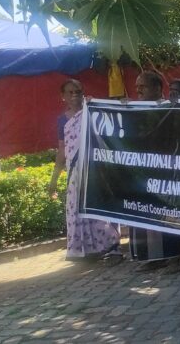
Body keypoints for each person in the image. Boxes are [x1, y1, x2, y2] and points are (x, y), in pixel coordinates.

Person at [48, 80, 122, 264]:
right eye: (70, 92)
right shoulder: (63, 120)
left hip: (97, 169)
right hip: (76, 172)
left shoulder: (93, 110)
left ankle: (112, 248)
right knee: (78, 210)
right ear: (63, 96)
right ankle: (88, 250)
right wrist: (54, 179)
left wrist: (95, 105)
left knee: (100, 207)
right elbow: (62, 149)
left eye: (78, 91)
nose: (75, 95)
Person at [129, 72, 180, 273]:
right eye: (137, 87)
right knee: (145, 214)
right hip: (142, 171)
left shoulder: (169, 108)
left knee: (167, 214)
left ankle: (175, 258)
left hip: (166, 171)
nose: (138, 91)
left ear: (157, 88)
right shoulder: (135, 109)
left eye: (143, 86)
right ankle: (152, 258)